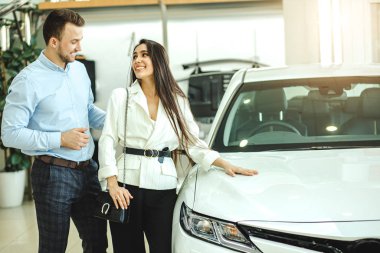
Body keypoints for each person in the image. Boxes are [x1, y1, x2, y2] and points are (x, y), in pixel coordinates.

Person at [98, 38, 258, 253]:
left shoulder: (177, 100)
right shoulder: (121, 96)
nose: (138, 60)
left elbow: (192, 142)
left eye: (144, 55)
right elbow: (107, 139)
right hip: (126, 185)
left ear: (159, 60)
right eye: (135, 56)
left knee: (164, 248)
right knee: (127, 249)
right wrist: (112, 183)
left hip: (163, 185)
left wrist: (222, 163)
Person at [1, 9, 107, 253]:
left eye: (80, 40)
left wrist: (119, 121)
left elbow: (88, 110)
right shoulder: (28, 80)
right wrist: (60, 139)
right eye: (74, 41)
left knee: (98, 243)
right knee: (53, 247)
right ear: (53, 41)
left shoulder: (79, 70)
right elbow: (9, 133)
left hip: (88, 170)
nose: (79, 46)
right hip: (53, 174)